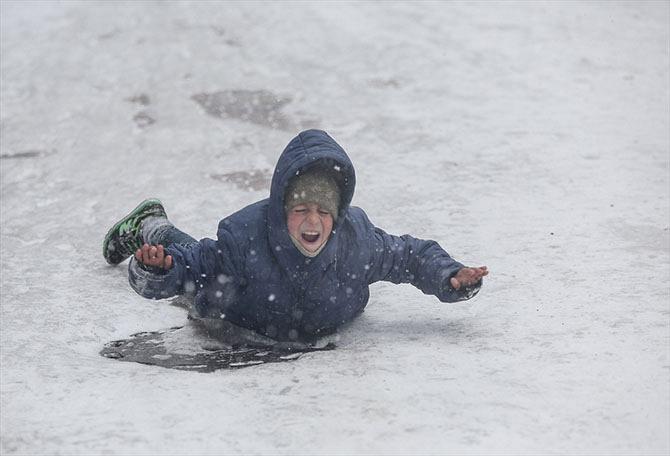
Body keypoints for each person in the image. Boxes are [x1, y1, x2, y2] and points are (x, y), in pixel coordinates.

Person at [103, 129, 488, 342]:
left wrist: (448, 275)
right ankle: (152, 226)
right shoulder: (244, 238)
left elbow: (409, 255)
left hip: (317, 316)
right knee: (189, 263)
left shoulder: (356, 242)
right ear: (282, 210)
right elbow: (193, 267)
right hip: (242, 312)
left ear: (336, 217)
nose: (312, 222)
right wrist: (158, 270)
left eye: (323, 212)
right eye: (301, 210)